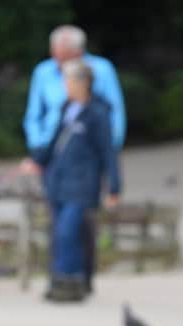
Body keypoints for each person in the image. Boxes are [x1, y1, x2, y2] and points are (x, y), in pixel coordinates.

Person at [22, 25, 126, 293]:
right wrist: (39, 154)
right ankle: (62, 278)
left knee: (76, 227)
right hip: (56, 164)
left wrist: (106, 168)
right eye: (56, 54)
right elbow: (35, 115)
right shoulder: (50, 82)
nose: (59, 62)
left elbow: (112, 124)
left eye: (65, 55)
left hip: (84, 167)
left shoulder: (100, 79)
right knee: (59, 228)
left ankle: (77, 278)